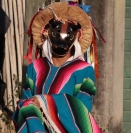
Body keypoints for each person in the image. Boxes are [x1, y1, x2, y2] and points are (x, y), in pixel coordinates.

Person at [13, 2, 102, 133]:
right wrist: (28, 105)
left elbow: (82, 109)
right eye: (56, 31)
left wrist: (44, 101)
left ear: (76, 36)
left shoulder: (84, 70)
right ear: (47, 33)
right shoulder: (35, 68)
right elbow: (26, 101)